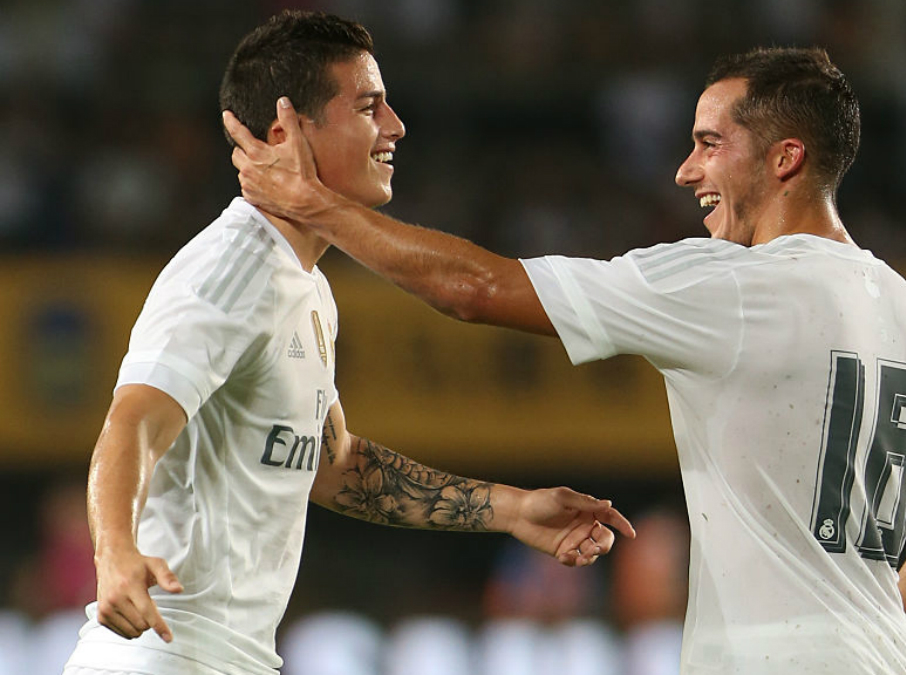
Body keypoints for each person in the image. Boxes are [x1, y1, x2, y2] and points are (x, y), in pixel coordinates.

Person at [224, 45, 906, 674]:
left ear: (786, 159)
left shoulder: (735, 286)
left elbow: (474, 289)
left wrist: (318, 204)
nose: (687, 170)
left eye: (710, 144)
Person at [62, 11, 634, 675]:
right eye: (368, 106)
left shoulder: (304, 284)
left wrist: (514, 508)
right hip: (159, 656)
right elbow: (131, 422)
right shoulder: (227, 272)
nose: (394, 126)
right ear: (286, 129)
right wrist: (116, 555)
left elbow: (333, 464)